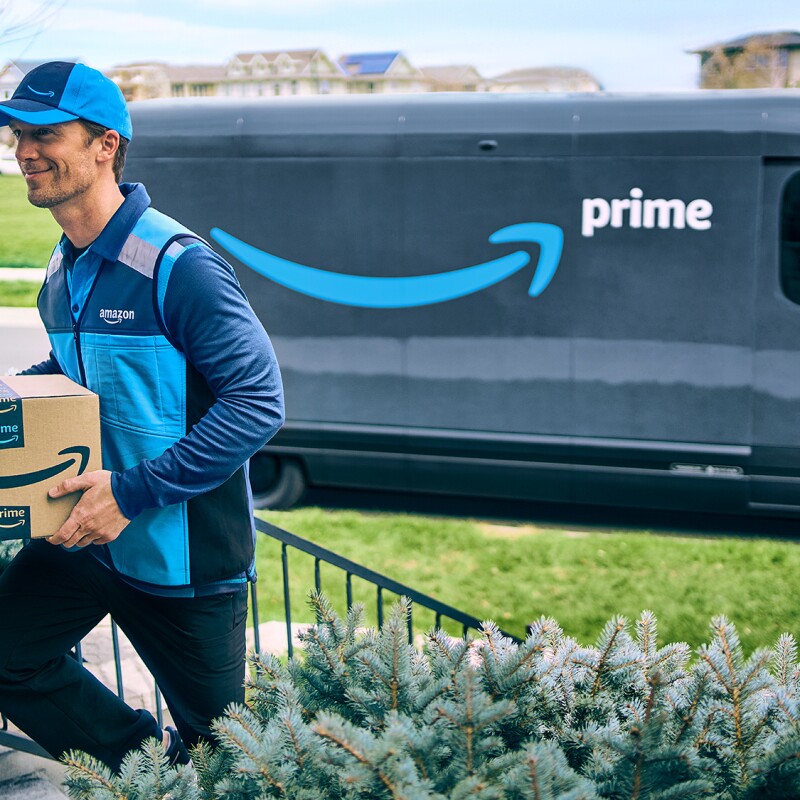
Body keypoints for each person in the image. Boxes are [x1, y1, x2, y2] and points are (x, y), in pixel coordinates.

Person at [0, 62, 285, 769]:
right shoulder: (64, 268)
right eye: (16, 133)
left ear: (106, 145)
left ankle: (189, 772)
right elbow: (77, 376)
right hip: (84, 536)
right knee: (8, 655)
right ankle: (141, 768)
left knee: (224, 754)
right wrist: (12, 393)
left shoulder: (177, 263)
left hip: (184, 560)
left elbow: (257, 401)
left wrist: (130, 494)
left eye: (44, 133)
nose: (23, 150)